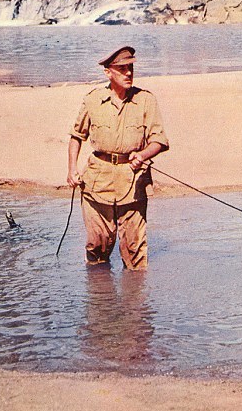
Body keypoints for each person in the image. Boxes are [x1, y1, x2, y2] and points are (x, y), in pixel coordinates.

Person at [67, 45, 168, 269]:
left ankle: (136, 302)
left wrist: (143, 154)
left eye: (130, 67)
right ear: (108, 72)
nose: (129, 73)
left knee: (135, 252)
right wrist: (72, 169)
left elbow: (159, 141)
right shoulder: (92, 100)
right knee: (97, 246)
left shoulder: (145, 100)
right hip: (97, 183)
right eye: (122, 68)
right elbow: (76, 136)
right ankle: (101, 299)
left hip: (133, 183)